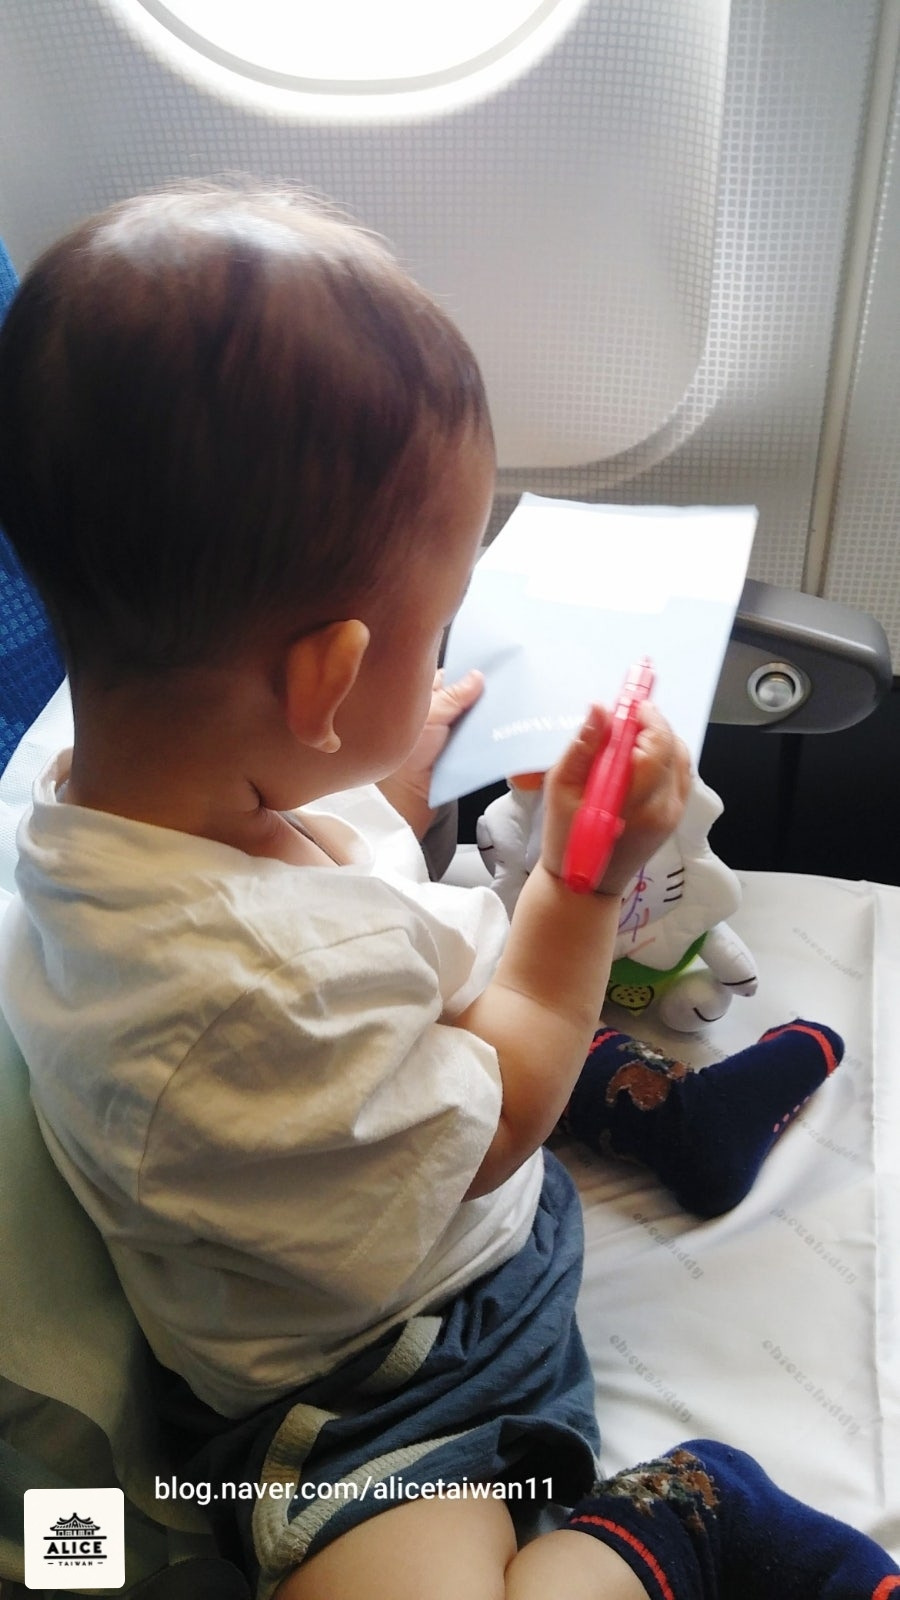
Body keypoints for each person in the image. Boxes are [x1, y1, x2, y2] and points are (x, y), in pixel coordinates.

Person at [0, 187, 895, 1600]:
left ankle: (675, 1117)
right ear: (324, 683)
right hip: (398, 1365)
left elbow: (370, 901)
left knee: (475, 1003)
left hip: (432, 1194)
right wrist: (583, 886)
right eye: (429, 644)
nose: (442, 669)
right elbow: (505, 1099)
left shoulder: (117, 782)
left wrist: (402, 762)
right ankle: (695, 1512)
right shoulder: (254, 1000)